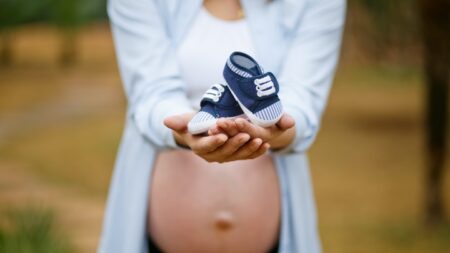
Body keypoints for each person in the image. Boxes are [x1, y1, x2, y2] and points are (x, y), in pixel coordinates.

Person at [98, 0, 346, 252]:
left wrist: (277, 129)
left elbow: (303, 99)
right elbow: (151, 93)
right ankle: (222, 103)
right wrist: (184, 129)